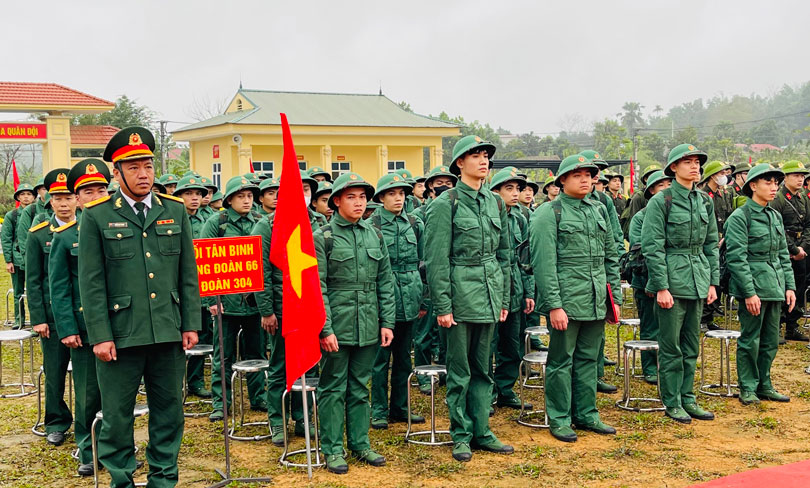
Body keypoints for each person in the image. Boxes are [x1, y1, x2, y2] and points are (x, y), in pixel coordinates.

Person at [78, 127, 201, 486]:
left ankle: (163, 479)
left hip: (167, 329)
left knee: (169, 412)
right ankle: (122, 479)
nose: (144, 173)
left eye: (147, 165)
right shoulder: (97, 215)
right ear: (116, 174)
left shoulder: (174, 211)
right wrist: (100, 335)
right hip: (121, 333)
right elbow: (92, 281)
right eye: (133, 168)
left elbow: (187, 274)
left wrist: (189, 324)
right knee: (117, 416)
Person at [424, 135, 513, 462]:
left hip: (489, 293)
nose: (483, 161)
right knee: (459, 372)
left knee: (483, 370)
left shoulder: (494, 202)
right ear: (459, 163)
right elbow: (436, 260)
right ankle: (460, 434)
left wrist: (503, 297)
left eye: (486, 156)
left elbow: (503, 255)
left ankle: (482, 431)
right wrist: (443, 306)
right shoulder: (445, 204)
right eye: (474, 155)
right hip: (460, 296)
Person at [531, 154, 622, 443]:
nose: (585, 179)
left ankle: (586, 413)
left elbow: (610, 256)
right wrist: (554, 305)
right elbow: (544, 264)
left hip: (596, 297)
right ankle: (559, 417)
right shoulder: (549, 213)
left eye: (589, 175)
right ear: (562, 180)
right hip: (567, 299)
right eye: (577, 175)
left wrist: (614, 296)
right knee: (561, 360)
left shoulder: (598, 209)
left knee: (588, 359)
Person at [313, 172, 395, 474]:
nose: (359, 203)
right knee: (333, 388)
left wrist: (387, 322)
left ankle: (360, 444)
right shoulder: (323, 237)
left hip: (369, 323)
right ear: (336, 201)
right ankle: (333, 448)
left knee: (361, 386)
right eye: (351, 197)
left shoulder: (374, 234)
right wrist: (326, 328)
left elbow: (385, 281)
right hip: (339, 322)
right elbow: (317, 287)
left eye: (362, 197)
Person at [641, 143, 719, 424]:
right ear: (673, 167)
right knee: (671, 345)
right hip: (672, 280)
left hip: (697, 277)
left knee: (691, 344)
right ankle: (672, 400)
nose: (695, 166)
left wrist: (712, 282)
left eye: (697, 161)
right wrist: (661, 286)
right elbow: (652, 246)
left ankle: (688, 397)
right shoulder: (662, 201)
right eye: (687, 161)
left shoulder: (704, 201)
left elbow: (711, 244)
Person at [252, 170, 325, 446]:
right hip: (282, 309)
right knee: (282, 367)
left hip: (308, 307)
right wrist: (267, 310)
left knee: (309, 364)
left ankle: (303, 416)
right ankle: (277, 420)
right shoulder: (267, 226)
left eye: (307, 190)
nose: (303, 195)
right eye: (298, 189)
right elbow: (262, 273)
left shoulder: (317, 222)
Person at [49, 159, 110, 476]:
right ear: (76, 197)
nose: (95, 195)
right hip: (84, 329)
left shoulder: (121, 228)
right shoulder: (64, 237)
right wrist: (67, 329)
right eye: (87, 191)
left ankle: (117, 450)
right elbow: (58, 289)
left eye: (101, 189)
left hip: (120, 326)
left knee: (117, 395)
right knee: (88, 394)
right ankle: (89, 450)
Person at [725, 163, 796, 406]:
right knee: (750, 340)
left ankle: (764, 383)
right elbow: (737, 257)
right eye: (768, 182)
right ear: (753, 186)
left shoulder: (774, 215)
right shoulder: (740, 216)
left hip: (775, 285)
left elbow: (783, 255)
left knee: (769, 341)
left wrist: (789, 286)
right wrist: (749, 292)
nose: (774, 187)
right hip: (754, 286)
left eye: (776, 183)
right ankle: (747, 386)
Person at [200, 175, 267, 421]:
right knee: (223, 355)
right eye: (241, 196)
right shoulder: (216, 223)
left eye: (250, 196)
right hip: (225, 303)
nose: (247, 201)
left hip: (255, 302)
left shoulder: (261, 221)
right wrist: (211, 301)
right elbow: (205, 263)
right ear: (229, 200)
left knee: (257, 352)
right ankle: (221, 402)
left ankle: (258, 396)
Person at [369, 173, 426, 429]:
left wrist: (424, 299)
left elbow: (424, 264)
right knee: (380, 360)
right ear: (381, 197)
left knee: (404, 358)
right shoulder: (372, 226)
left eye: (402, 193)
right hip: (384, 298)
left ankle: (400, 408)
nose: (398, 198)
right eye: (392, 193)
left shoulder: (415, 224)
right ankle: (378, 410)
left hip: (411, 296)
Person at [26, 169, 72, 448]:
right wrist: (39, 318)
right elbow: (33, 281)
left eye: (68, 197)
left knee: (91, 376)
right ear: (49, 201)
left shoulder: (89, 228)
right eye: (58, 198)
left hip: (84, 315)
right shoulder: (38, 235)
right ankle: (55, 422)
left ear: (77, 200)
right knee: (54, 371)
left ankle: (91, 422)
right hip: (53, 317)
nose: (64, 203)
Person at [488, 167, 535, 410]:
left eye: (517, 188)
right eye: (509, 189)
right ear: (495, 192)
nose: (515, 193)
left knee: (512, 345)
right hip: (491, 286)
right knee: (487, 347)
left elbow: (525, 259)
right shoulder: (487, 216)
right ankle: (486, 395)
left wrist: (528, 291)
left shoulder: (520, 217)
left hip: (515, 285)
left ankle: (505, 389)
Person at [411, 165, 457, 395]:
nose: (444, 186)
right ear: (429, 186)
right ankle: (422, 374)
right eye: (439, 182)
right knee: (423, 334)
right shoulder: (418, 216)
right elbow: (420, 253)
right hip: (425, 282)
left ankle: (446, 371)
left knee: (447, 334)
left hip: (449, 281)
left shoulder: (455, 210)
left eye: (448, 183)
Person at [628, 170, 672, 384]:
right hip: (645, 279)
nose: (666, 189)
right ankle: (649, 367)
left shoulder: (674, 213)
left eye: (668, 185)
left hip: (672, 279)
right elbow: (641, 249)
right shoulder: (640, 218)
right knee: (650, 324)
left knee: (670, 327)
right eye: (660, 186)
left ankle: (666, 364)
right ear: (651, 191)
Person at [172, 175, 213, 399]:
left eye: (198, 194)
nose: (195, 198)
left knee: (201, 335)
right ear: (178, 197)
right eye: (189, 194)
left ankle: (195, 380)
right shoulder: (172, 218)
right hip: (178, 288)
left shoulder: (209, 219)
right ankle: (176, 382)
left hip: (203, 287)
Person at [770, 160, 810, 343]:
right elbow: (775, 226)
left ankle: (792, 327)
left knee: (799, 287)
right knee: (781, 287)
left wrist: (802, 247)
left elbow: (809, 225)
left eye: (802, 176)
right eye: (796, 175)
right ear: (785, 177)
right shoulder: (777, 198)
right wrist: (793, 249)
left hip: (801, 249)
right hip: (783, 249)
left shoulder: (803, 198)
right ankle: (776, 326)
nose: (800, 179)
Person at [2, 183, 35, 328]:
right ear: (18, 197)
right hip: (17, 258)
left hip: (33, 259)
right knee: (18, 292)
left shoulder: (37, 213)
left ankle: (36, 321)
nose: (26, 197)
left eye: (29, 194)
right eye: (23, 194)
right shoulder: (12, 215)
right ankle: (18, 320)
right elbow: (7, 238)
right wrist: (8, 260)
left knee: (34, 291)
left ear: (33, 196)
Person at [620, 163, 662, 239]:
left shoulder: (667, 196)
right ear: (645, 179)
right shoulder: (639, 197)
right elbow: (634, 220)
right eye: (652, 175)